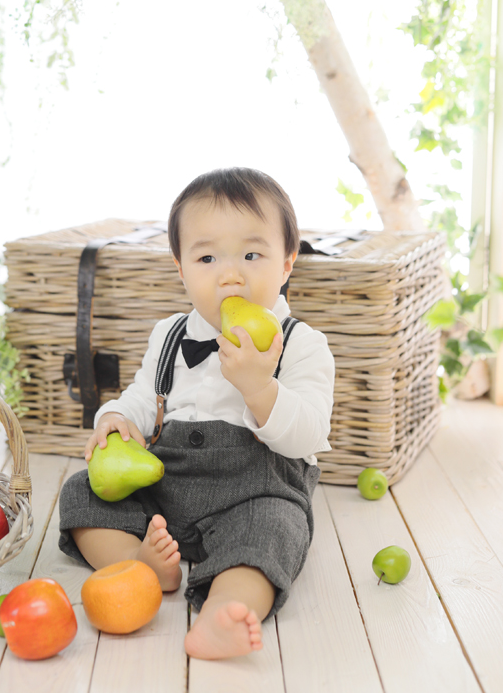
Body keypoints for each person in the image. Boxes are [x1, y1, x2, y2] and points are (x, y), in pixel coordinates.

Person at [58, 167, 335, 659]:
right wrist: (116, 419)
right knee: (81, 491)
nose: (230, 274)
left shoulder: (302, 344)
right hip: (165, 486)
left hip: (253, 495)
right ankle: (139, 563)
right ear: (181, 269)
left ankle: (226, 609)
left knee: (277, 529)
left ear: (288, 262)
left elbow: (307, 435)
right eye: (207, 258)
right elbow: (143, 397)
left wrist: (259, 387)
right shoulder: (169, 334)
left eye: (252, 255)